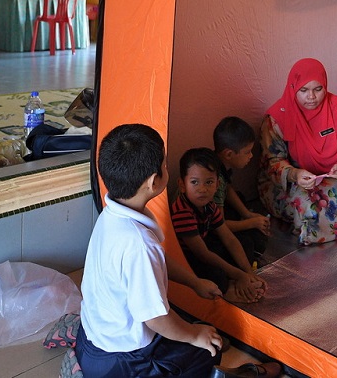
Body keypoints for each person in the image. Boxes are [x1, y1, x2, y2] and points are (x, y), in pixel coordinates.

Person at [77, 123, 277, 378]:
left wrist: (194, 282)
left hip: (94, 340)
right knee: (209, 347)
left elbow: (157, 260)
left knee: (203, 333)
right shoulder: (138, 243)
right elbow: (155, 318)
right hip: (122, 362)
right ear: (153, 181)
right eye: (163, 165)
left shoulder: (113, 214)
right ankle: (233, 373)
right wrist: (194, 335)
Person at [258, 58, 337, 245]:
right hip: (293, 184)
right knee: (308, 206)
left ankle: (333, 228)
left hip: (330, 178)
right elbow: (271, 162)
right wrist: (295, 174)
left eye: (318, 89)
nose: (311, 96)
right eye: (303, 90)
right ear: (293, 88)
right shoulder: (278, 118)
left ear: (325, 86)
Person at [170, 147, 267, 304]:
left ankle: (239, 279)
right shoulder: (182, 212)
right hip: (189, 256)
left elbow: (228, 238)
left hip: (206, 244)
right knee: (214, 273)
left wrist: (247, 273)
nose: (202, 189)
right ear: (182, 185)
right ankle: (228, 289)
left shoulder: (210, 205)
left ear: (217, 184)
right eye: (194, 182)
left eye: (209, 182)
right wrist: (239, 274)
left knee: (245, 242)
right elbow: (203, 254)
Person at [212, 116, 270, 261]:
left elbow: (228, 189)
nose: (251, 156)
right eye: (247, 152)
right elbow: (220, 225)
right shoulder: (214, 180)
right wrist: (251, 223)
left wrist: (247, 214)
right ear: (229, 154)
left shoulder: (220, 164)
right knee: (251, 244)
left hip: (217, 216)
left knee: (241, 199)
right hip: (210, 229)